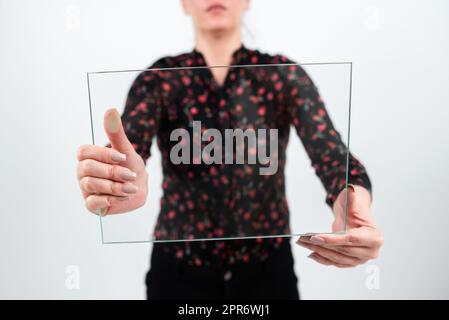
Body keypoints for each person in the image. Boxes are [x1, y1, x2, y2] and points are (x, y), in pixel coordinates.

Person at [76, 0, 383, 299]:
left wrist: (353, 202)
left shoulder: (282, 75)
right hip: (177, 274)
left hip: (268, 276)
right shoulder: (159, 80)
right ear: (184, 3)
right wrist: (119, 178)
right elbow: (131, 152)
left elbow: (330, 155)